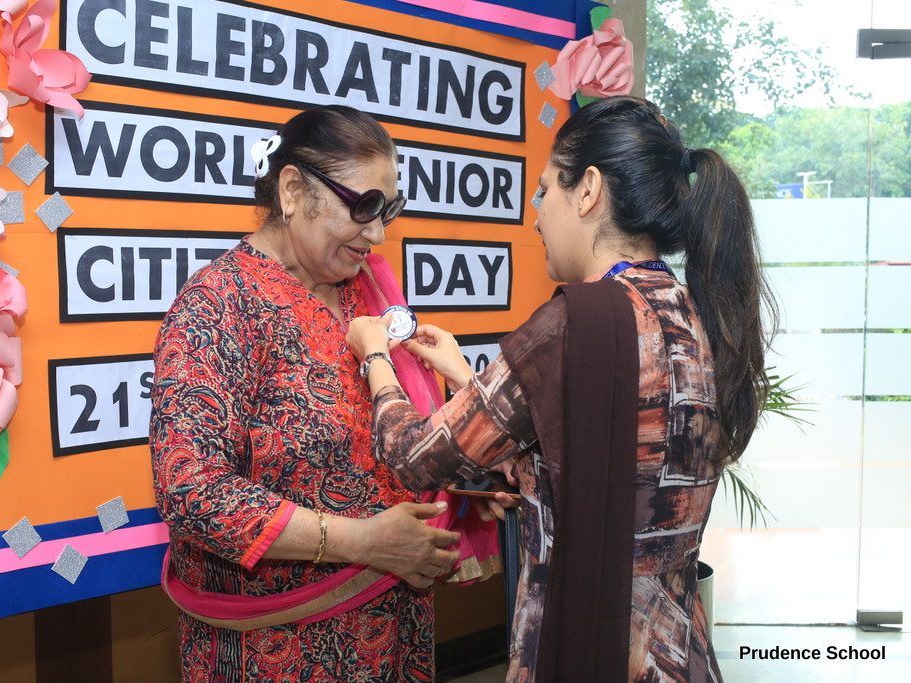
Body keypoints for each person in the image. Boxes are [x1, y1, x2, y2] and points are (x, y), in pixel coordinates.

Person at [347, 95, 778, 682]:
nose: (536, 217)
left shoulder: (573, 324)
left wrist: (375, 354)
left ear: (588, 190)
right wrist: (466, 377)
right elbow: (599, 456)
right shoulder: (694, 314)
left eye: (545, 190)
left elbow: (415, 458)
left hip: (588, 647)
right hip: (679, 650)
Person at [150, 105, 467, 682]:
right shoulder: (218, 305)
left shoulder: (366, 294)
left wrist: (466, 484)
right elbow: (191, 492)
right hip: (276, 649)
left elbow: (404, 435)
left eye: (388, 210)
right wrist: (364, 542)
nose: (378, 233)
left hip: (395, 628)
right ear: (294, 190)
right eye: (364, 207)